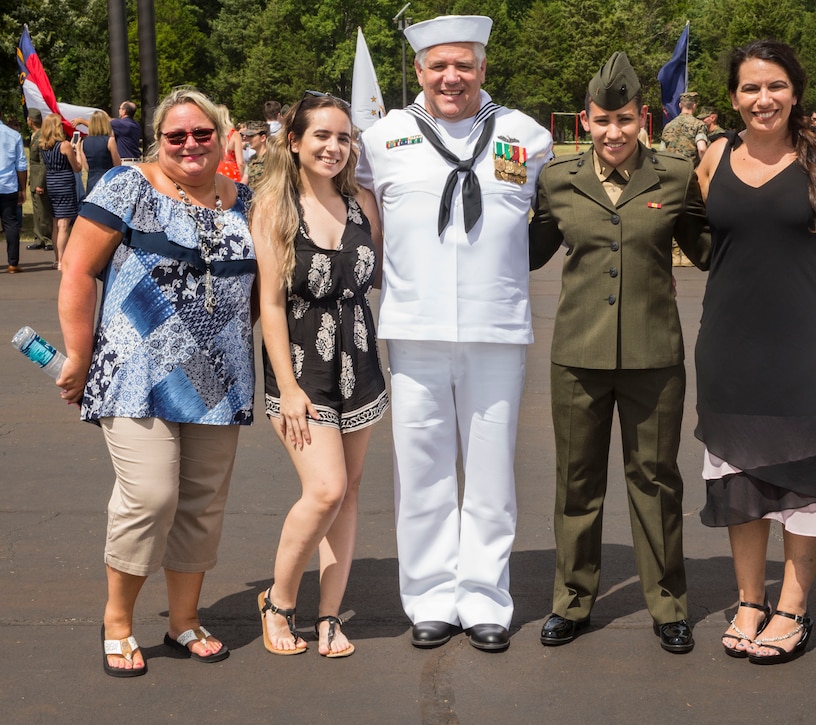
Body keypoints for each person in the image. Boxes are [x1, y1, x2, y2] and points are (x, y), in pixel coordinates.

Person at [357, 14, 552, 653]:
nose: (451, 77)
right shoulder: (382, 140)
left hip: (497, 327)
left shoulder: (525, 135)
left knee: (492, 470)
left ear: (482, 70)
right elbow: (363, 220)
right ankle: (432, 597)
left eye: (463, 66)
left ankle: (487, 596)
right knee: (423, 470)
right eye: (438, 65)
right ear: (418, 71)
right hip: (414, 327)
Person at [55, 87, 256, 677]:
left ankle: (183, 621)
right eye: (176, 136)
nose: (190, 144)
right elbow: (78, 269)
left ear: (221, 137)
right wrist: (77, 353)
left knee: (201, 505)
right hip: (135, 371)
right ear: (157, 140)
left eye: (202, 134)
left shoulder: (245, 200)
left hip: (220, 378)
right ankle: (117, 622)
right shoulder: (126, 187)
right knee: (150, 497)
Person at [692, 39, 816, 665]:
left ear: (795, 90)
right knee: (738, 473)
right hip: (729, 345)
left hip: (810, 344)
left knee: (806, 477)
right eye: (749, 88)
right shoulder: (715, 155)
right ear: (734, 96)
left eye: (775, 86)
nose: (762, 99)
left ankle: (791, 608)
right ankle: (748, 601)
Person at [529, 52, 711, 654]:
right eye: (603, 121)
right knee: (577, 482)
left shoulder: (676, 176)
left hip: (653, 357)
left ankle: (668, 604)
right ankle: (573, 601)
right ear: (584, 121)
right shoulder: (557, 181)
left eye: (625, 120)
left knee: (656, 480)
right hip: (577, 355)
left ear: (643, 121)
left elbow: (710, 249)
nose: (614, 133)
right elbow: (528, 252)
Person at [252, 92, 389, 658]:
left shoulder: (363, 202)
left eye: (343, 137)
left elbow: (375, 279)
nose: (334, 147)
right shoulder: (274, 208)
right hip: (301, 369)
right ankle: (278, 601)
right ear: (295, 142)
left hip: (359, 364)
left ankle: (330, 614)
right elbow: (272, 305)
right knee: (325, 488)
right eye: (322, 137)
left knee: (349, 493)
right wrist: (286, 387)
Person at [39, 113, 82, 269]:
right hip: (64, 183)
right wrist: (77, 150)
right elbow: (77, 167)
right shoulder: (64, 145)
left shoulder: (42, 145)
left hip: (52, 182)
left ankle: (57, 258)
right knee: (64, 225)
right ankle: (62, 261)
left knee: (56, 223)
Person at [0, 112, 27, 273]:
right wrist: (22, 188)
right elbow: (21, 164)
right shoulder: (13, 135)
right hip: (7, 185)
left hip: (7, 185)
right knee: (10, 224)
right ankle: (12, 263)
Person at [25, 109, 54, 252]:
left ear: (30, 120)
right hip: (34, 178)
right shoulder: (34, 135)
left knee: (44, 211)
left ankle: (48, 239)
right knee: (37, 211)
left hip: (40, 180)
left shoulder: (42, 136)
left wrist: (40, 183)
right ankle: (39, 238)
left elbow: (44, 163)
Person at [77, 110, 122, 194]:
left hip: (92, 181)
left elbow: (86, 167)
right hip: (108, 179)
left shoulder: (84, 142)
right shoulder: (110, 140)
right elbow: (117, 164)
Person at [661, 91, 708, 163]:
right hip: (689, 170)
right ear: (694, 106)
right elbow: (702, 149)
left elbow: (662, 151)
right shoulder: (699, 125)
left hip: (670, 169)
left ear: (680, 105)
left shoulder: (668, 125)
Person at [216, 105, 245, 182]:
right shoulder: (234, 135)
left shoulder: (213, 134)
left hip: (216, 172)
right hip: (232, 173)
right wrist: (243, 178)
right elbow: (240, 162)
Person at [241, 121, 269, 186]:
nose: (247, 139)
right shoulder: (252, 159)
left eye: (251, 136)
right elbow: (244, 182)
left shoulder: (273, 158)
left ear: (263, 138)